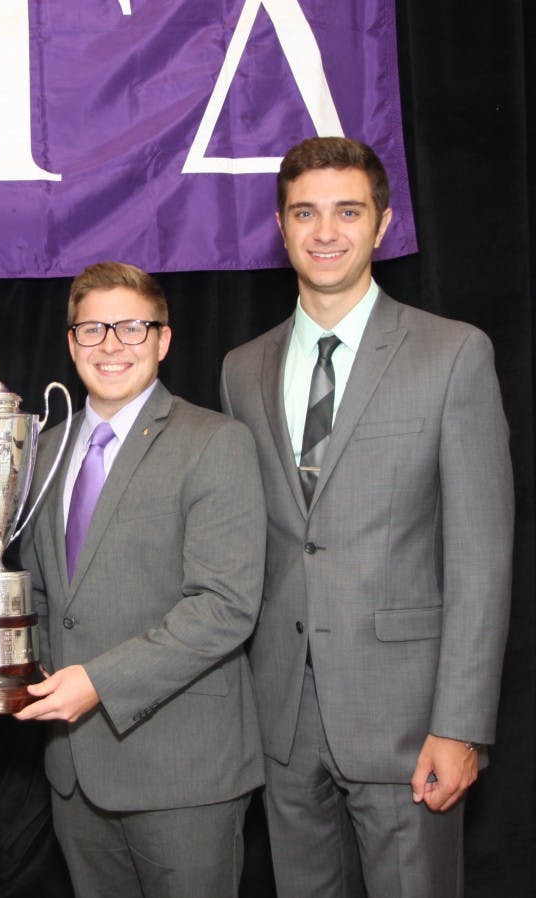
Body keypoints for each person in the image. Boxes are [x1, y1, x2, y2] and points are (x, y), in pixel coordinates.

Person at [220, 136, 514, 898]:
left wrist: (461, 723)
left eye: (348, 212)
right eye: (305, 213)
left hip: (408, 720)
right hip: (281, 718)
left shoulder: (453, 355)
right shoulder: (241, 370)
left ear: (381, 225)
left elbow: (481, 556)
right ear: (280, 228)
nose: (325, 232)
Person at [15, 262, 267, 897]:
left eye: (132, 327)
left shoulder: (215, 442)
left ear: (164, 339)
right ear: (71, 342)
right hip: (73, 767)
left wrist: (97, 682)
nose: (111, 345)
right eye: (94, 329)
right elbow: (43, 595)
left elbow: (223, 607)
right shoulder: (42, 448)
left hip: (182, 769)